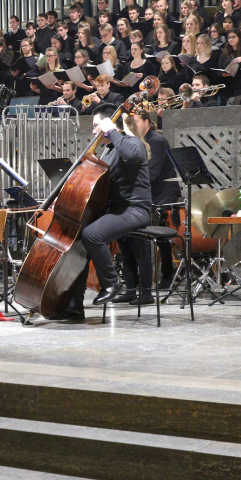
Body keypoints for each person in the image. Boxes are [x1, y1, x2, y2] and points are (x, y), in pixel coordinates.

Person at [59, 103, 152, 320]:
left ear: (109, 124)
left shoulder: (131, 142)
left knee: (92, 234)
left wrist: (111, 131)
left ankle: (112, 284)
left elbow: (132, 156)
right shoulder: (109, 150)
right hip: (117, 210)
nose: (93, 131)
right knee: (79, 240)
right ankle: (74, 305)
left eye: (96, 125)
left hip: (135, 209)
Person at [117, 110, 179, 302]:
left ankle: (166, 274)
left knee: (158, 238)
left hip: (163, 194)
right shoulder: (134, 142)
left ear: (147, 122)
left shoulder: (156, 141)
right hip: (146, 194)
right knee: (129, 239)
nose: (131, 126)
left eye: (135, 121)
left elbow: (151, 174)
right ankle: (131, 286)